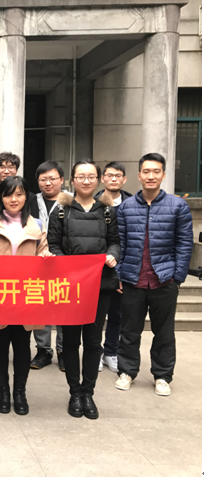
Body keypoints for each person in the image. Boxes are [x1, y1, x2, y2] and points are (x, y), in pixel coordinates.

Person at [115, 153, 193, 397]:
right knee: (129, 331)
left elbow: (184, 244)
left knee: (164, 333)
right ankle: (127, 372)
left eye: (156, 171)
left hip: (164, 280)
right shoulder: (126, 207)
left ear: (163, 175)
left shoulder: (178, 206)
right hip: (133, 279)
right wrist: (119, 274)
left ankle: (162, 376)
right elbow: (119, 244)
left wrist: (177, 277)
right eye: (146, 171)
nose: (151, 176)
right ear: (139, 175)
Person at [48, 159, 120, 420]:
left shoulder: (108, 210)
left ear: (98, 180)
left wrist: (112, 255)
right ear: (72, 180)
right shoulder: (61, 210)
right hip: (70, 287)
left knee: (92, 341)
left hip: (99, 286)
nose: (86, 181)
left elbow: (115, 242)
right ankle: (74, 392)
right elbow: (53, 244)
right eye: (81, 176)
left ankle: (88, 392)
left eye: (91, 176)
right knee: (70, 341)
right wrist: (63, 262)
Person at [0, 176, 52, 416]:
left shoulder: (37, 225)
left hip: (26, 295)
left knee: (22, 346)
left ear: (26, 197)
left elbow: (44, 252)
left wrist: (46, 257)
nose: (14, 199)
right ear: (0, 197)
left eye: (19, 194)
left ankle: (20, 392)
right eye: (8, 194)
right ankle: (3, 391)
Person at [28, 160, 70, 371]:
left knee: (62, 306)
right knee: (40, 306)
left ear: (61, 180)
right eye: (43, 179)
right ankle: (43, 350)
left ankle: (63, 350)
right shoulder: (31, 201)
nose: (48, 183)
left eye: (52, 179)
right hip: (37, 262)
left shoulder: (71, 201)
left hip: (64, 261)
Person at [94, 161, 132, 373]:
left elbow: (131, 241)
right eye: (109, 175)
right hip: (97, 270)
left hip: (121, 268)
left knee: (117, 315)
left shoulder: (132, 204)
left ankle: (111, 352)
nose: (113, 179)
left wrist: (121, 273)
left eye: (118, 175)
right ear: (103, 178)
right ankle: (96, 352)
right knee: (97, 315)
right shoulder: (93, 202)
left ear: (124, 179)